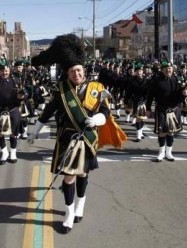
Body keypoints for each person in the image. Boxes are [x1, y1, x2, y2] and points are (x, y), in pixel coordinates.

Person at [28, 34, 122, 234]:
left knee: (83, 174)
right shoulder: (62, 90)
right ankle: (69, 212)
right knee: (69, 177)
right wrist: (35, 130)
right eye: (72, 71)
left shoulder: (96, 88)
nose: (76, 74)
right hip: (67, 139)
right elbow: (49, 110)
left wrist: (98, 119)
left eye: (79, 70)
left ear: (83, 70)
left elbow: (105, 111)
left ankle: (80, 204)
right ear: (68, 73)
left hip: (87, 139)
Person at [145, 61, 187, 162]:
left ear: (172, 69)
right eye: (166, 68)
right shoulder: (156, 81)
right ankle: (161, 152)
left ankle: (169, 153)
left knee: (171, 132)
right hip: (161, 109)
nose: (169, 70)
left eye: (170, 68)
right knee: (162, 132)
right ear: (162, 69)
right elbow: (150, 96)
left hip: (173, 109)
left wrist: (184, 93)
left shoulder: (176, 79)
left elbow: (179, 95)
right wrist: (148, 109)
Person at [0, 62, 25, 165]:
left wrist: (21, 97)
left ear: (9, 71)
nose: (4, 73)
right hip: (0, 111)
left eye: (6, 71)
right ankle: (4, 152)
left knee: (13, 134)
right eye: (2, 71)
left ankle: (13, 153)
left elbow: (21, 98)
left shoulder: (15, 81)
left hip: (13, 110)